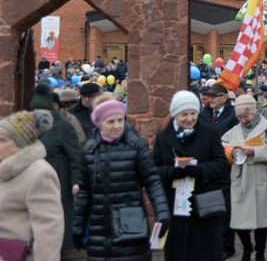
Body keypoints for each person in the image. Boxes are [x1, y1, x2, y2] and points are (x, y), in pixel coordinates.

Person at [72, 99, 171, 260]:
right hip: (100, 226)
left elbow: (152, 181)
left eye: (120, 120)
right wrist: (78, 225)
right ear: (99, 123)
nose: (117, 125)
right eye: (111, 121)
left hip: (131, 223)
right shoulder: (90, 151)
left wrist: (162, 212)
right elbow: (85, 192)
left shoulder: (137, 146)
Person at [154, 91, 230, 260]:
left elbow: (221, 164)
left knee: (205, 252)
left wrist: (201, 170)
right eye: (184, 114)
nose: (189, 118)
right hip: (176, 205)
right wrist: (169, 172)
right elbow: (155, 168)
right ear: (175, 114)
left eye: (193, 113)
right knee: (179, 252)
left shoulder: (209, 132)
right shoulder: (163, 137)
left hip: (204, 204)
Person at [222, 95, 267, 261]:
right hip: (239, 178)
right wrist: (230, 151)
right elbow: (221, 145)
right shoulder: (234, 131)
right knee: (239, 220)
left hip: (259, 178)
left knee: (261, 220)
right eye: (240, 117)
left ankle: (260, 253)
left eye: (246, 116)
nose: (243, 120)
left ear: (254, 112)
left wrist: (254, 152)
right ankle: (247, 247)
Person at [0, 110, 64, 261]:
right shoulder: (4, 168)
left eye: (3, 140)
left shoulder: (40, 173)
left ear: (20, 144)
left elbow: (49, 232)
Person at [30, 83, 82, 255]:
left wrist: (75, 181)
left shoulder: (64, 127)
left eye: (40, 111)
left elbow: (75, 156)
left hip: (58, 180)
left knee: (57, 220)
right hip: (36, 181)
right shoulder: (32, 128)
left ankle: (57, 251)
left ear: (50, 110)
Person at [198, 83, 239, 258]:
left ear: (224, 97)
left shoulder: (233, 115)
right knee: (208, 208)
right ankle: (210, 244)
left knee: (224, 210)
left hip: (226, 170)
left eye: (214, 96)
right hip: (207, 170)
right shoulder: (204, 114)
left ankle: (226, 247)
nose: (210, 99)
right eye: (209, 96)